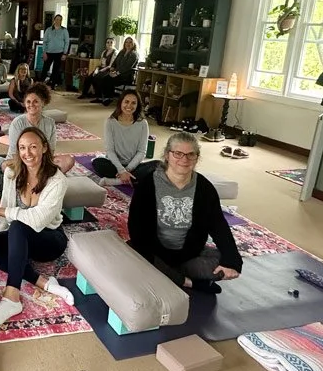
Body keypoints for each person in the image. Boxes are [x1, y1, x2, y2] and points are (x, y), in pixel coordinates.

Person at [0, 127, 75, 329]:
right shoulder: (12, 173)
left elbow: (37, 220)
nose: (27, 153)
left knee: (19, 226)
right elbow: (6, 206)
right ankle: (43, 283)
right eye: (22, 148)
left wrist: (0, 211)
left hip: (49, 239)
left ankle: (11, 297)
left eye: (33, 147)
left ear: (45, 148)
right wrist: (0, 237)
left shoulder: (57, 180)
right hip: (20, 236)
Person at [127, 132, 242, 294]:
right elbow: (136, 229)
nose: (184, 159)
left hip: (188, 255)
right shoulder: (148, 184)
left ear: (197, 157)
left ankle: (170, 275)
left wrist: (232, 262)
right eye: (178, 153)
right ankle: (188, 282)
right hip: (155, 252)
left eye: (190, 155)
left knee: (220, 264)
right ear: (167, 155)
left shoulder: (204, 188)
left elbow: (218, 225)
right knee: (133, 250)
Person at [5, 82, 75, 173]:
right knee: (6, 167)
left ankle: (41, 176)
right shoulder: (17, 123)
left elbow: (51, 150)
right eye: (28, 102)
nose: (31, 105)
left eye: (36, 101)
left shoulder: (50, 123)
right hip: (21, 161)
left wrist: (39, 163)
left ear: (43, 103)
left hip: (41, 161)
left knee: (68, 160)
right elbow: (15, 153)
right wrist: (30, 164)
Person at [92, 91, 149, 187]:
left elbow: (141, 152)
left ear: (137, 105)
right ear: (121, 103)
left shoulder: (143, 123)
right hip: (115, 165)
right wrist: (121, 170)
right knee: (97, 163)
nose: (129, 106)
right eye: (126, 102)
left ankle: (117, 181)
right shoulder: (110, 122)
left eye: (133, 103)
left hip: (134, 165)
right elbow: (110, 150)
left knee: (158, 166)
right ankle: (131, 180)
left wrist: (127, 170)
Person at [92, 36, 138, 106]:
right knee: (99, 77)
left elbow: (127, 67)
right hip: (117, 73)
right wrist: (112, 68)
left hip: (126, 76)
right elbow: (115, 62)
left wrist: (116, 73)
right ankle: (100, 97)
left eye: (130, 42)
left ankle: (108, 98)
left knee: (107, 79)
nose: (128, 44)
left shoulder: (134, 54)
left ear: (134, 44)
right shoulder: (122, 52)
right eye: (126, 42)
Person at [40, 14, 69, 88]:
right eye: (56, 19)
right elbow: (44, 42)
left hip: (59, 53)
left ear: (61, 21)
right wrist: (44, 52)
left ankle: (53, 85)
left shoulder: (64, 30)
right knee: (45, 68)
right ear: (54, 20)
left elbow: (67, 42)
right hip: (49, 52)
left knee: (56, 70)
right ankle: (40, 84)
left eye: (59, 20)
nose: (58, 21)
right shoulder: (48, 30)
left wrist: (64, 53)